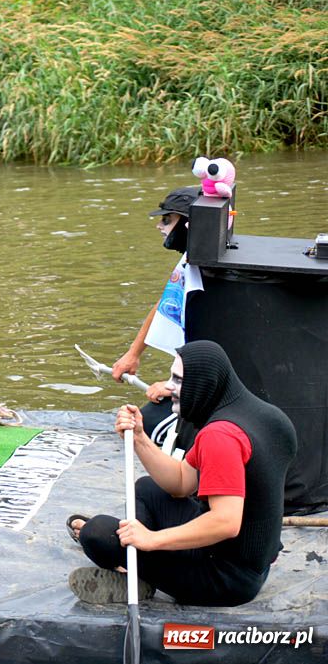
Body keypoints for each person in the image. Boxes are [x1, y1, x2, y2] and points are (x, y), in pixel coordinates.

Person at [69, 340, 297, 606]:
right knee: (146, 488)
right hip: (252, 560)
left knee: (97, 534)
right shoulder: (267, 415)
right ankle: (137, 554)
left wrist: (152, 540)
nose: (168, 388)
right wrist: (140, 439)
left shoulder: (220, 436)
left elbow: (226, 522)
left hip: (226, 579)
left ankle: (132, 567)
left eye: (177, 380)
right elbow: (180, 483)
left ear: (202, 385)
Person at [111, 186, 202, 448]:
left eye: (167, 219)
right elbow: (166, 303)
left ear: (187, 224)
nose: (160, 226)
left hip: (202, 385)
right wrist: (133, 353)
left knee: (145, 429)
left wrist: (174, 386)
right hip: (189, 379)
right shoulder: (189, 260)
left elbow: (212, 345)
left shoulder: (207, 274)